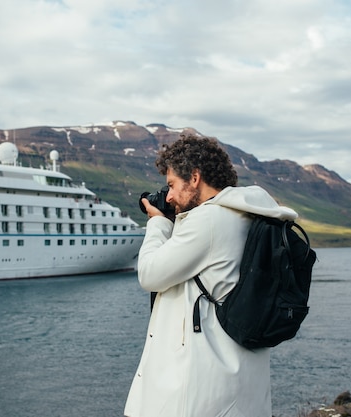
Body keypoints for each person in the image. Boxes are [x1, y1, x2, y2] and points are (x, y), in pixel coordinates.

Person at [124, 134, 298, 417]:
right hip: (241, 382)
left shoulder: (210, 221)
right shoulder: (253, 216)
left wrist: (157, 223)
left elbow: (149, 274)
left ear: (194, 177)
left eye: (171, 185)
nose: (167, 196)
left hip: (201, 394)